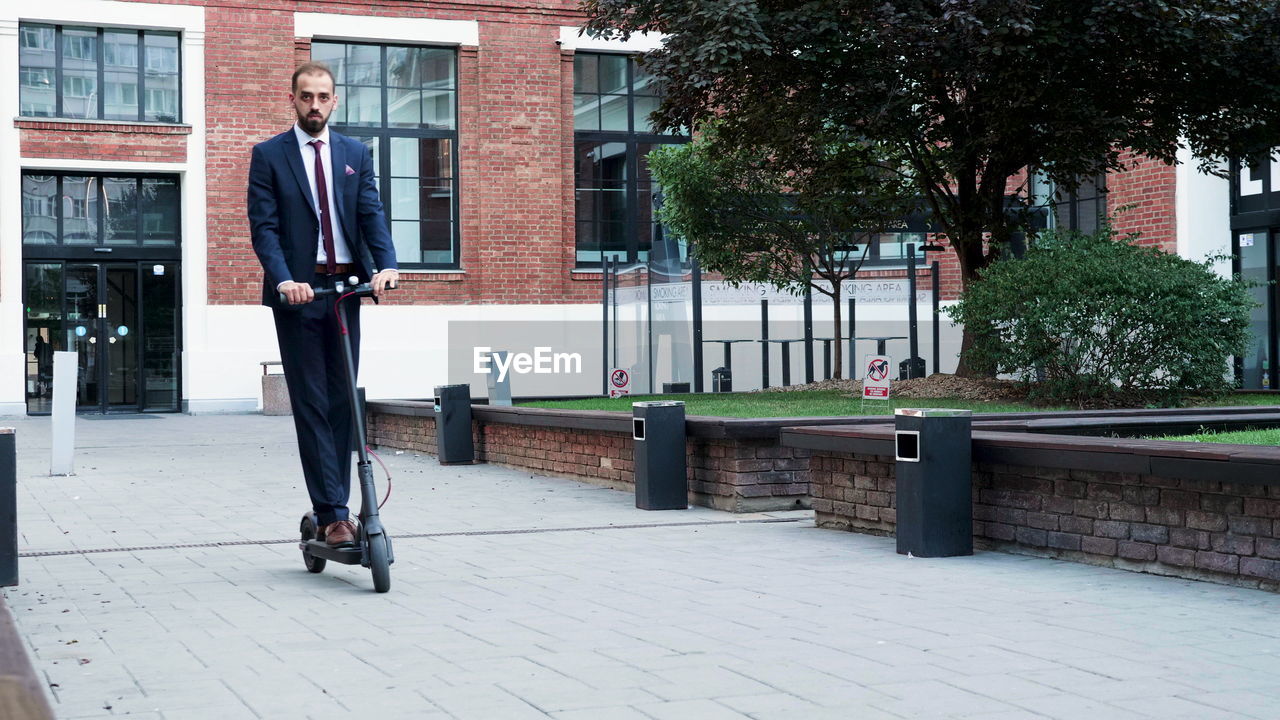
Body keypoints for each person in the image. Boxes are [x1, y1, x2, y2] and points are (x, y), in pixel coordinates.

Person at [247, 61, 399, 547]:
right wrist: (285, 278)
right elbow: (264, 229)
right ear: (292, 99)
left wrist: (386, 266)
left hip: (346, 290)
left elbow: (371, 213)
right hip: (300, 294)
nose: (315, 105)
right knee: (311, 403)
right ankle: (333, 513)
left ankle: (340, 503)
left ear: (335, 101)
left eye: (323, 97)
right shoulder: (269, 155)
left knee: (342, 401)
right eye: (306, 96)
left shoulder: (355, 152)